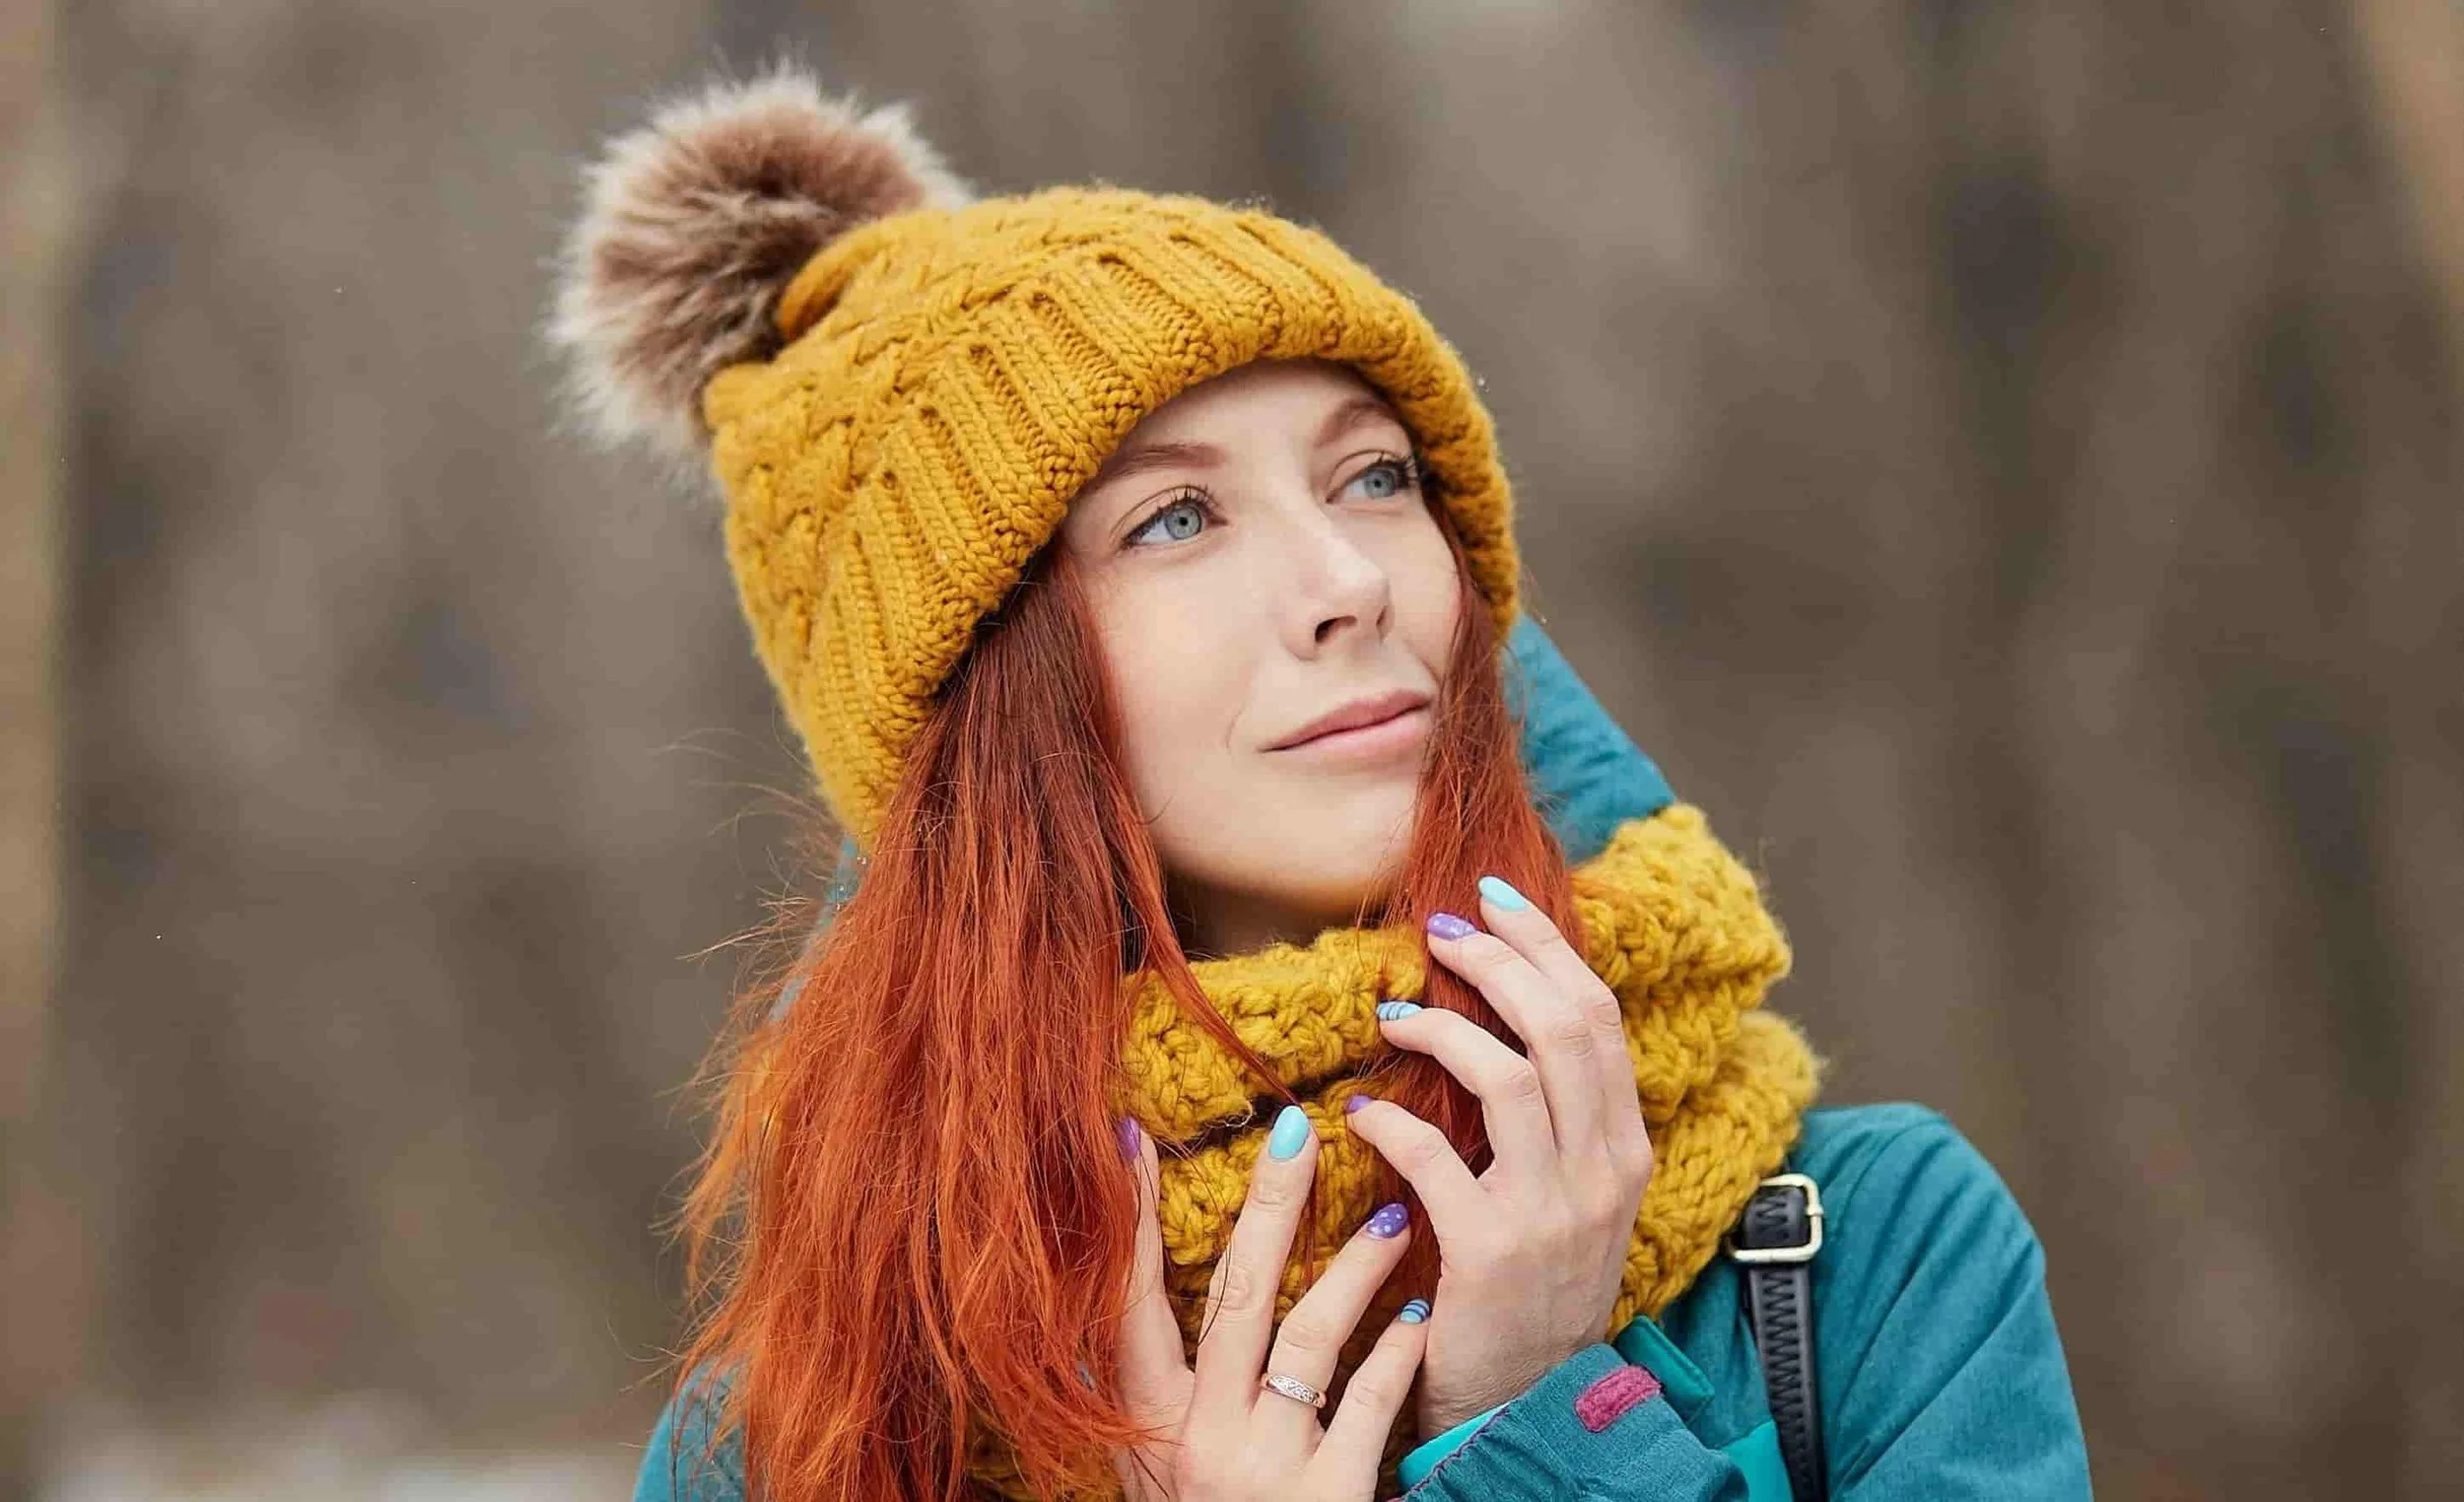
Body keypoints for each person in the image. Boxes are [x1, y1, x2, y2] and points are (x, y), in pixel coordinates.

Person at [549, 69, 2091, 1502]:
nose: (1348, 578)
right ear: (978, 712)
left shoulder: (1867, 1254)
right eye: (1174, 519)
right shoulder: (806, 1435)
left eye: (1374, 476)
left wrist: (1542, 1419)